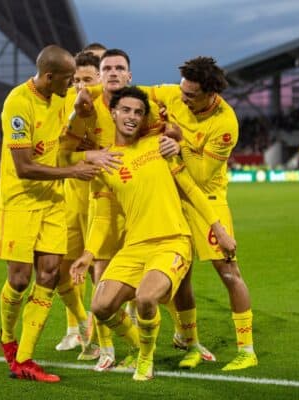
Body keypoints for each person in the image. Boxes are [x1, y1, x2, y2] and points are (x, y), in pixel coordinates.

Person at [70, 87, 236, 381]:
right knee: (100, 306)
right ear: (113, 113)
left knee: (147, 300)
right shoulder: (106, 161)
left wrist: (218, 229)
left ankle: (146, 359)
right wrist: (88, 254)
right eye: (126, 111)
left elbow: (191, 190)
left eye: (138, 112)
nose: (132, 117)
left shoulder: (159, 146)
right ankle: (139, 344)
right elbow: (105, 215)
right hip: (134, 246)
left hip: (172, 241)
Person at [0, 44, 103, 383]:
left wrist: (87, 101)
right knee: (19, 279)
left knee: (50, 273)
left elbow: (94, 92)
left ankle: (25, 358)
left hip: (53, 202)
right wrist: (74, 171)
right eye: (68, 79)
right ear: (49, 76)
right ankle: (8, 339)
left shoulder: (64, 94)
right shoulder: (18, 103)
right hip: (20, 201)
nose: (73, 85)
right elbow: (25, 167)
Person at [144, 57, 258, 371]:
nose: (182, 98)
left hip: (207, 199)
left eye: (190, 95)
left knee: (228, 273)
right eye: (182, 91)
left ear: (210, 94)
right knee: (180, 277)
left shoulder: (225, 122)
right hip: (172, 200)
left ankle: (247, 350)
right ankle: (189, 341)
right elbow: (136, 95)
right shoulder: (174, 95)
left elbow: (203, 175)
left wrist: (180, 143)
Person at [61, 48, 169, 369]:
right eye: (106, 68)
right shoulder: (85, 107)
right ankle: (109, 349)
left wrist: (174, 137)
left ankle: (170, 341)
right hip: (102, 196)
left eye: (118, 68)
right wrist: (91, 156)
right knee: (102, 273)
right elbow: (62, 153)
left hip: (139, 202)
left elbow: (169, 129)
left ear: (128, 75)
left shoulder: (139, 106)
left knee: (145, 280)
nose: (112, 73)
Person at [55, 49, 108, 353]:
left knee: (102, 269)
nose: (80, 85)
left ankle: (110, 330)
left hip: (104, 199)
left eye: (87, 79)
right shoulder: (65, 102)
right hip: (72, 196)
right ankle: (75, 328)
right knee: (68, 267)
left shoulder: (113, 106)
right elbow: (60, 150)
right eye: (76, 79)